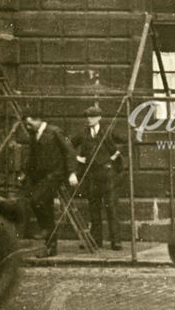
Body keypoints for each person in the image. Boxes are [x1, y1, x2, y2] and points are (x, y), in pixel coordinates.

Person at [19, 113, 78, 258]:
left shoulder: (55, 132)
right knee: (42, 205)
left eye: (29, 123)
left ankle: (45, 229)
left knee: (36, 199)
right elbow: (31, 156)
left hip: (55, 175)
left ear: (38, 119)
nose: (28, 127)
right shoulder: (34, 135)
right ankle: (51, 247)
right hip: (41, 177)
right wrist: (24, 173)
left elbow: (69, 151)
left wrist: (72, 172)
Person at [73, 105, 124, 250]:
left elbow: (126, 141)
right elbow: (69, 145)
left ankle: (116, 241)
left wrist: (115, 155)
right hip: (91, 177)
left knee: (111, 208)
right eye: (87, 116)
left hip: (108, 176)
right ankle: (97, 240)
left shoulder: (108, 131)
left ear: (99, 117)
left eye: (92, 116)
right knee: (93, 209)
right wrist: (78, 158)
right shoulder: (83, 133)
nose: (89, 119)